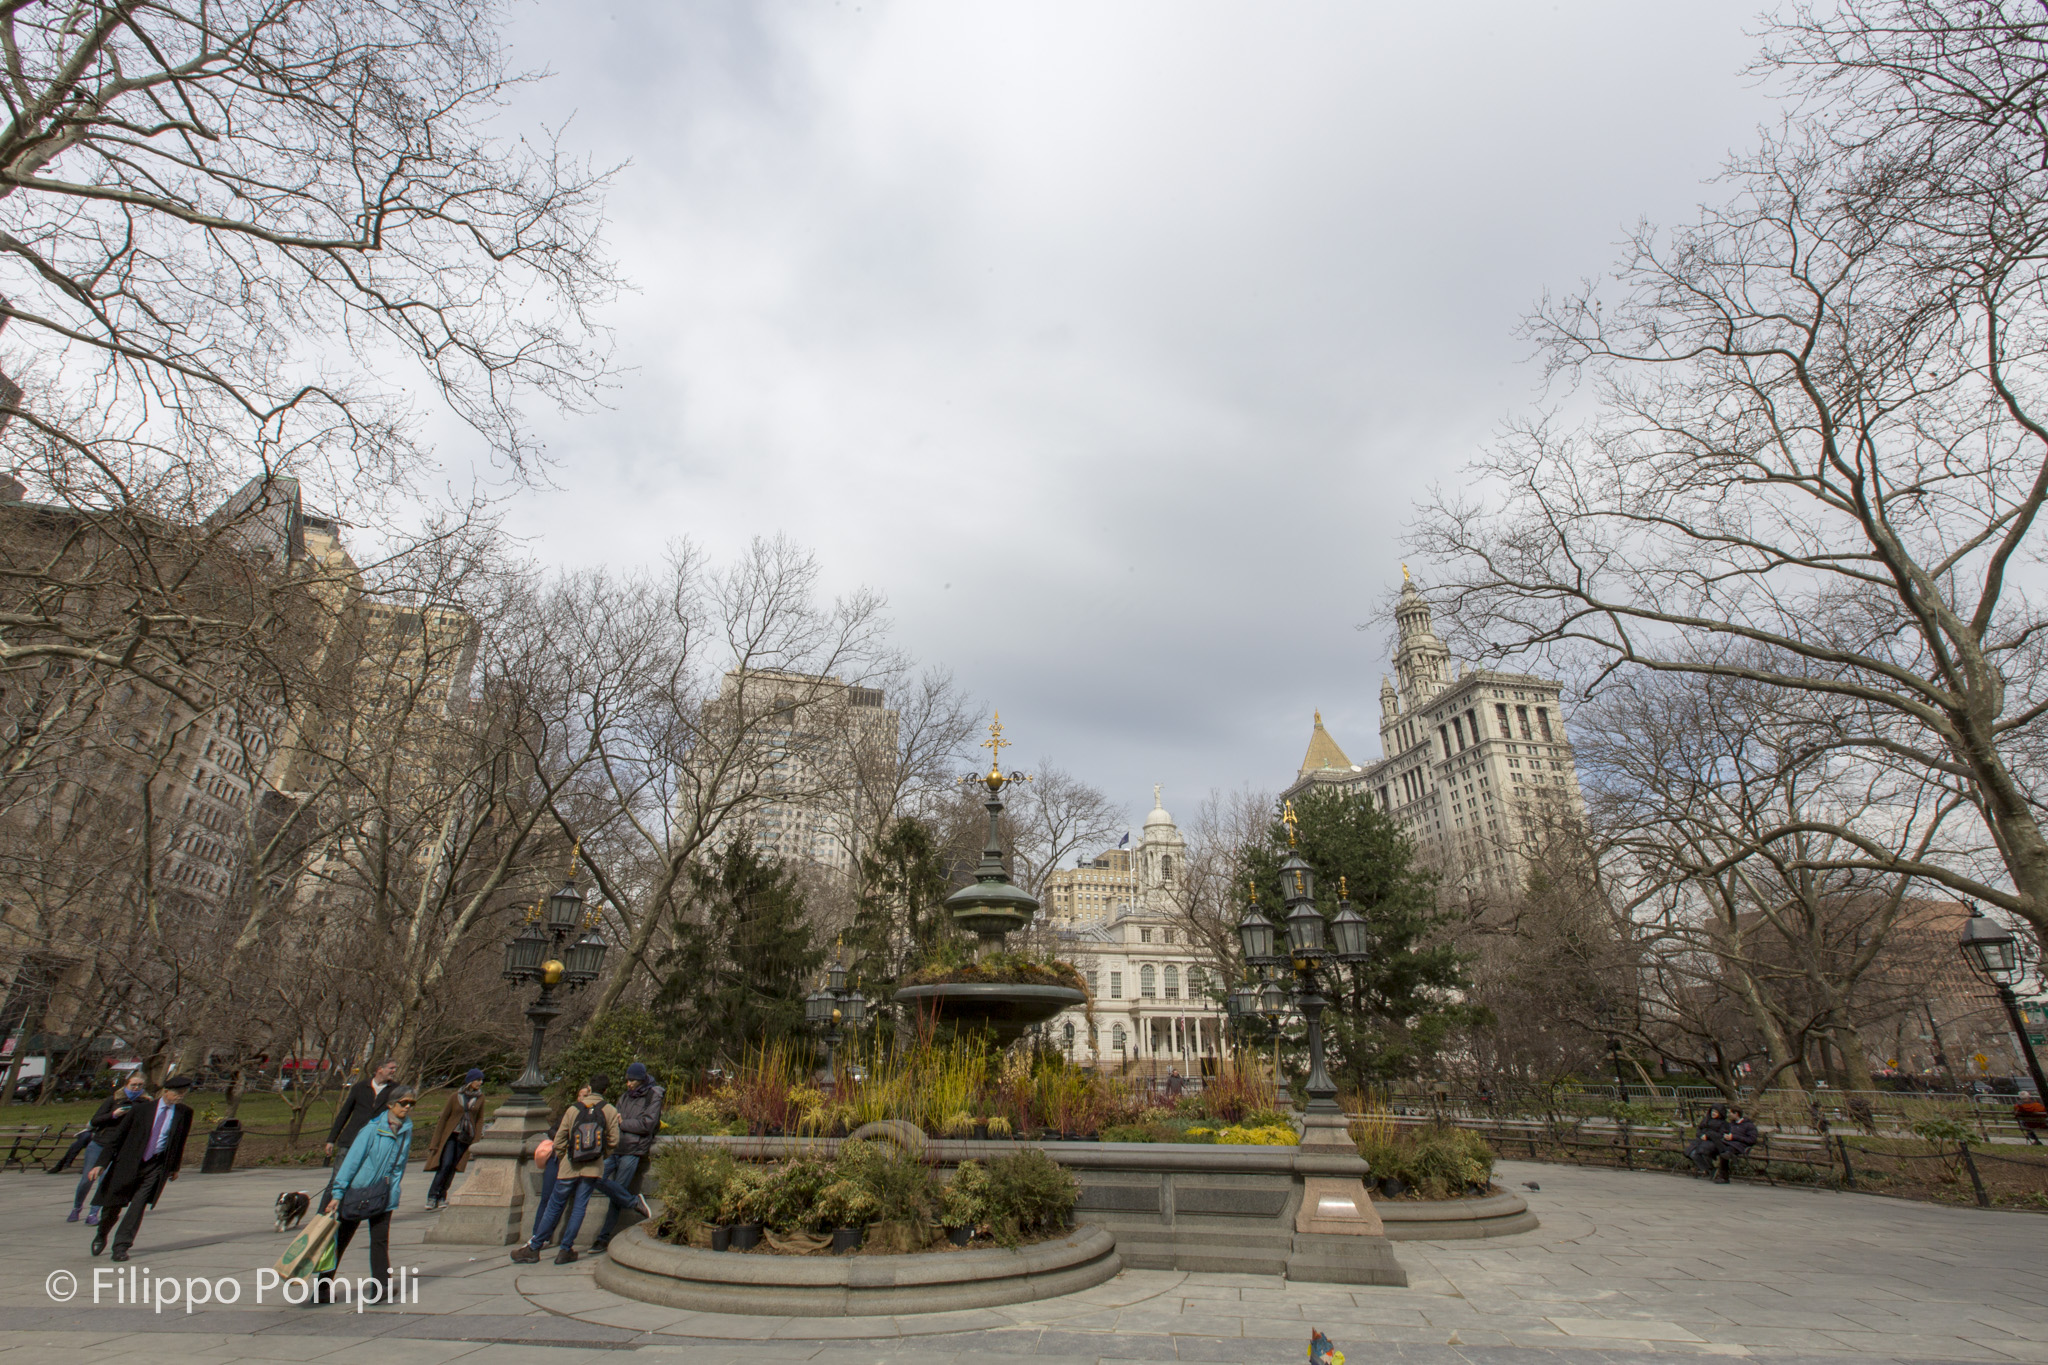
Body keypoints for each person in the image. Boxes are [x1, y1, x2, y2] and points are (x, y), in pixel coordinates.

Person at [509, 1075, 637, 1265]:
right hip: (592, 1167)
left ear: (589, 1088)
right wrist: (601, 1155)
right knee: (579, 1207)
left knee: (554, 1205)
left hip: (569, 1165)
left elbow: (559, 1139)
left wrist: (565, 1158)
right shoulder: (609, 1110)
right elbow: (614, 1141)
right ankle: (565, 1249)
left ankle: (534, 1247)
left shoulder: (573, 1109)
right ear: (605, 1091)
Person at [315, 1085, 416, 1306]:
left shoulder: (406, 1130)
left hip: (383, 1193)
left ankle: (380, 1289)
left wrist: (394, 1193)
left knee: (380, 1241)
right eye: (403, 1103)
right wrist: (338, 1193)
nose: (407, 1107)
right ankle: (322, 1288)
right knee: (341, 1240)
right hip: (358, 1192)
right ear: (391, 1104)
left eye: (411, 1103)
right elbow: (351, 1162)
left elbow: (399, 1167)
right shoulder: (371, 1130)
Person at [87, 1074, 196, 1261]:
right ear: (165, 1091)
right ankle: (102, 1233)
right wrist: (101, 1164)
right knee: (112, 1206)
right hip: (128, 1163)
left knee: (138, 1207)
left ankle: (121, 1246)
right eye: (177, 1092)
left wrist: (174, 1167)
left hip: (155, 1165)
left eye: (184, 1093)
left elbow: (180, 1141)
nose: (180, 1096)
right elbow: (117, 1138)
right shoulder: (142, 1110)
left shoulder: (184, 1113)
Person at [591, 1062, 664, 1253]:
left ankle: (603, 1237)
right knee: (595, 1177)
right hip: (615, 1148)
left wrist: (623, 1124)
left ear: (641, 1079)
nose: (628, 1084)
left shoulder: (654, 1094)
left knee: (617, 1194)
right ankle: (633, 1202)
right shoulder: (625, 1096)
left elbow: (648, 1124)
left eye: (632, 1080)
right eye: (627, 1080)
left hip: (633, 1149)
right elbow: (615, 1119)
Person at [62, 1073, 148, 1224]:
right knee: (87, 1180)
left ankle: (93, 1213)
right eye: (133, 1085)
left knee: (105, 1180)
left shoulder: (145, 1102)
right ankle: (76, 1208)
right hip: (100, 1143)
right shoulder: (115, 1099)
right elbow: (95, 1121)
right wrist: (114, 1115)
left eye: (140, 1085)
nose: (136, 1088)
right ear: (126, 1084)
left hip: (120, 1146)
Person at [323, 1058, 398, 1204]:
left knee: (359, 1182)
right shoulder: (360, 1087)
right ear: (380, 1069)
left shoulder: (394, 1090)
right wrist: (331, 1139)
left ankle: (348, 1212)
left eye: (395, 1068)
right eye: (391, 1068)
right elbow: (344, 1113)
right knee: (337, 1179)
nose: (394, 1071)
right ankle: (322, 1214)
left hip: (373, 1143)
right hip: (350, 1140)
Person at [424, 1069, 487, 1210]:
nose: (480, 1083)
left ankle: (442, 1196)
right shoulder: (455, 1096)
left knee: (453, 1167)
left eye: (481, 1080)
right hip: (451, 1135)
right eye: (478, 1080)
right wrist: (435, 1141)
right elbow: (444, 1118)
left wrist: (476, 1141)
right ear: (471, 1080)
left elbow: (479, 1119)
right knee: (445, 1164)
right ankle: (432, 1195)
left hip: (465, 1137)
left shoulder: (480, 1098)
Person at [1716, 1106, 1760, 1183]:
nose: (1729, 1115)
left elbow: (1752, 1140)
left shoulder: (1749, 1125)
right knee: (1720, 1149)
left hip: (1741, 1146)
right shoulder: (1731, 1124)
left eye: (1730, 1113)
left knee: (1725, 1152)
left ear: (1736, 1114)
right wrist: (1725, 1136)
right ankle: (1717, 1173)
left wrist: (1734, 1137)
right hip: (1729, 1144)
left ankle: (1723, 1177)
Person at [1686, 1104, 1730, 1177]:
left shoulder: (1723, 1123)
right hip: (1701, 1141)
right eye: (1712, 1111)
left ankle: (1710, 1170)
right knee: (1693, 1153)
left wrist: (1708, 1135)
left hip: (1714, 1143)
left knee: (1704, 1152)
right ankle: (1709, 1169)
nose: (1713, 1113)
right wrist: (1701, 1135)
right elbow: (1699, 1129)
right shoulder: (1706, 1120)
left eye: (1716, 1112)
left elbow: (1721, 1135)